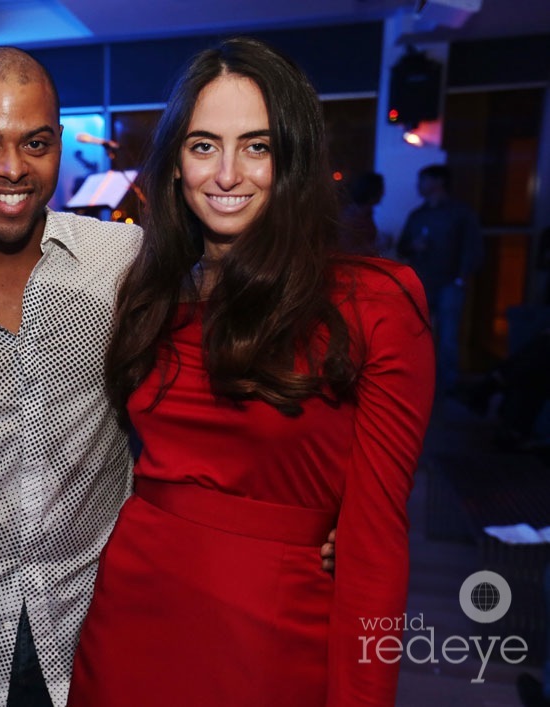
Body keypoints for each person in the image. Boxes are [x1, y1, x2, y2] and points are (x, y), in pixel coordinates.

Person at [0, 47, 336, 707]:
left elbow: (242, 366)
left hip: (100, 631)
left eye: (35, 143)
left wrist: (317, 519)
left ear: (60, 144)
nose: (11, 168)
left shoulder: (126, 263)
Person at [68, 37, 434, 706]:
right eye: (204, 145)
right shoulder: (149, 292)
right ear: (176, 163)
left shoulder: (374, 304)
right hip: (130, 619)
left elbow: (376, 547)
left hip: (274, 636)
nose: (227, 172)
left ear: (290, 159)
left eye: (256, 146)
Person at [397, 163, 483, 394]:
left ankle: (448, 388)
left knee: (447, 337)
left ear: (438, 182)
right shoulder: (418, 215)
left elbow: (472, 247)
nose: (418, 185)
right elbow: (402, 246)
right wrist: (413, 246)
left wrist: (461, 278)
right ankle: (418, 384)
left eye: (423, 180)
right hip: (421, 282)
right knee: (417, 334)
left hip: (449, 283)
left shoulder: (460, 213)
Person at [338, 170, 385, 256]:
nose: (383, 194)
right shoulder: (354, 215)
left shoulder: (364, 214)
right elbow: (347, 247)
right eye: (381, 189)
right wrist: (378, 246)